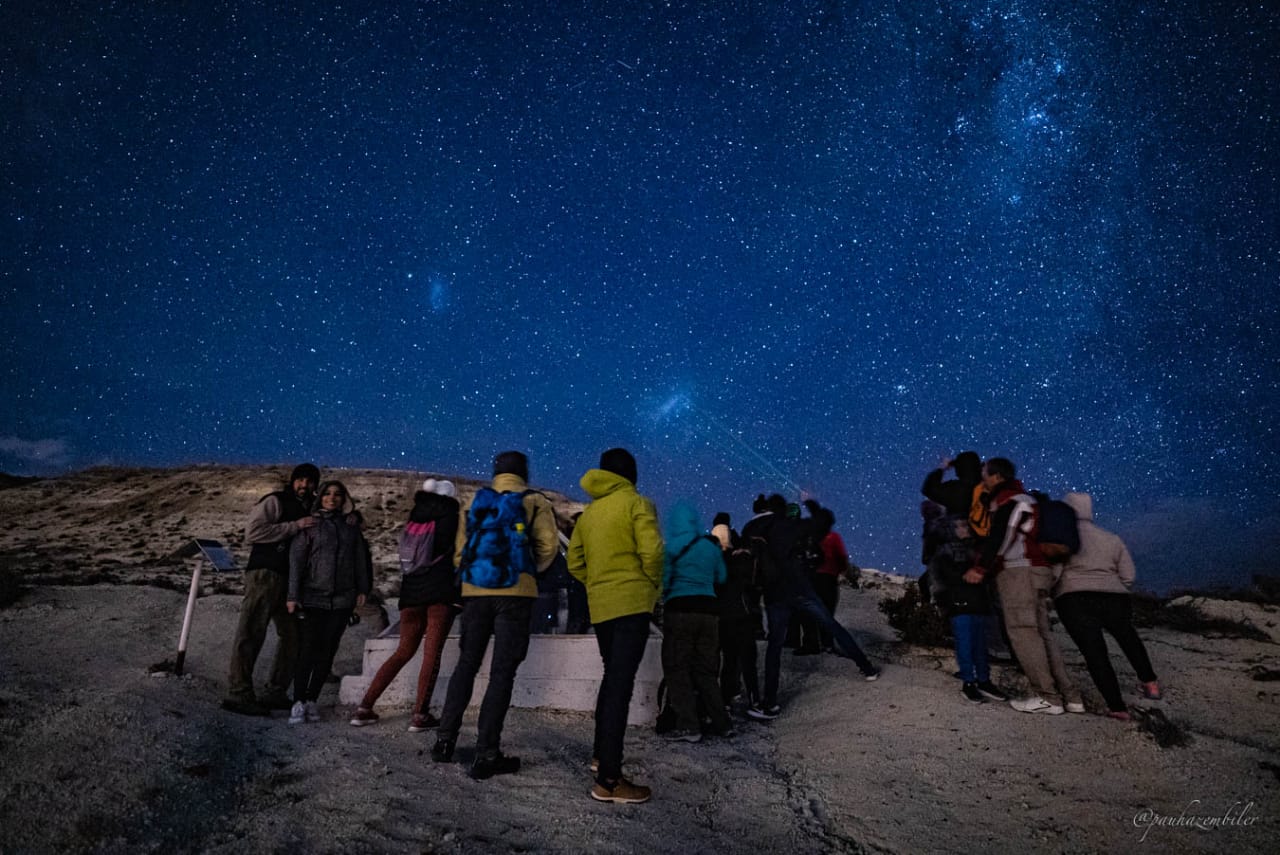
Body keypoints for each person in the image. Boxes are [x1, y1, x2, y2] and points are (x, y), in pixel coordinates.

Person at [431, 452, 559, 780]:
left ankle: (444, 740)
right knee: (501, 673)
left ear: (496, 473)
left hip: (475, 593)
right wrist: (528, 573)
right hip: (515, 594)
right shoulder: (534, 502)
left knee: (466, 665)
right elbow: (548, 547)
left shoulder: (476, 501)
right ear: (524, 473)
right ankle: (487, 753)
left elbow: (461, 550)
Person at [567, 448, 664, 805]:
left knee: (612, 679)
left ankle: (600, 755)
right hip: (632, 602)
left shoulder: (589, 513)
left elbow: (575, 562)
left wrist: (597, 583)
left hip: (602, 606)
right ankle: (609, 780)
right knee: (620, 686)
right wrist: (650, 585)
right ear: (632, 474)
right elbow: (653, 552)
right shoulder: (637, 504)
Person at [963, 458, 1082, 715]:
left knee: (1023, 633)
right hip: (1038, 572)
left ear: (996, 476)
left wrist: (981, 567)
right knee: (1041, 634)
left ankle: (1047, 697)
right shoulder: (1028, 499)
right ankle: (1071, 696)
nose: (982, 479)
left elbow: (1003, 535)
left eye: (984, 474)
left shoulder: (1011, 499)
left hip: (1020, 572)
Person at [747, 495, 879, 721]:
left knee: (774, 648)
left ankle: (770, 703)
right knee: (831, 624)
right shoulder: (795, 526)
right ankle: (867, 668)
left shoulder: (758, 527)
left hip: (775, 593)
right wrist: (811, 502)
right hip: (801, 587)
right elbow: (824, 519)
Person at [350, 479, 461, 730]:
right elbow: (458, 554)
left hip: (410, 593)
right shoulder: (451, 517)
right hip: (439, 592)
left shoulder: (415, 517)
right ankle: (420, 715)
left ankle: (364, 708)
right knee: (431, 654)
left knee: (402, 652)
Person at [1053, 492, 1161, 720]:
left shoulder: (1064, 537)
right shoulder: (1111, 538)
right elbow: (1129, 574)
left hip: (1075, 598)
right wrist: (1115, 586)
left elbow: (1056, 572)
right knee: (1128, 639)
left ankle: (1117, 707)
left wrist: (1054, 591)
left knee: (1095, 653)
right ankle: (1150, 684)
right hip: (1114, 597)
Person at [223, 463, 319, 716]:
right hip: (265, 574)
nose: (304, 486)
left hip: (291, 581)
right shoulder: (276, 501)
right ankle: (239, 692)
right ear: (293, 481)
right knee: (252, 630)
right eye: (300, 480)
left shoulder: (311, 507)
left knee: (293, 637)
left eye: (309, 482)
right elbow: (253, 533)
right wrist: (294, 526)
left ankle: (275, 691)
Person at [286, 480, 372, 724]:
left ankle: (313, 699)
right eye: (327, 494)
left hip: (342, 599)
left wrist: (363, 588)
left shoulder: (350, 527)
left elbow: (360, 560)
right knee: (307, 651)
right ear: (320, 497)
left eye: (337, 495)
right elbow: (296, 563)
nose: (332, 498)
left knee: (327, 651)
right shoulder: (310, 525)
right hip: (312, 597)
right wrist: (293, 596)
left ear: (344, 499)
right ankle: (298, 701)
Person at [660, 501, 734, 742]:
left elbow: (665, 579)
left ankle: (689, 726)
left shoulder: (672, 547)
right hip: (709, 612)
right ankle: (723, 723)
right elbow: (721, 577)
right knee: (706, 670)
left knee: (677, 668)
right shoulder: (709, 546)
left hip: (680, 610)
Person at [713, 513, 761, 710]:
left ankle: (726, 699)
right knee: (746, 659)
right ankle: (754, 700)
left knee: (730, 659)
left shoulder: (715, 559)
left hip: (724, 615)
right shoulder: (742, 557)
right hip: (742, 613)